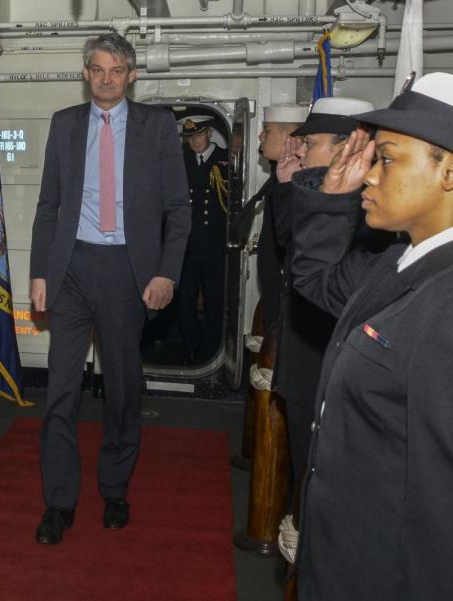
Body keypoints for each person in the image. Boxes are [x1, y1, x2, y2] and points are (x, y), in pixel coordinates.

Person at [286, 72, 453, 600]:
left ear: (448, 171)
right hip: (343, 557)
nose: (370, 177)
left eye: (388, 158)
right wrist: (332, 197)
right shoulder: (401, 261)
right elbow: (315, 281)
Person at [29, 33, 191, 545]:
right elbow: (48, 206)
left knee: (122, 390)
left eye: (116, 70)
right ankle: (59, 500)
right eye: (97, 69)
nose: (105, 79)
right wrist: (40, 273)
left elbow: (178, 211)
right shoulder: (64, 124)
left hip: (128, 272)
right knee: (60, 389)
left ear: (133, 75)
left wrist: (165, 273)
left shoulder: (158, 127)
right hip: (72, 268)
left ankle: (115, 488)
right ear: (85, 73)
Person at [269, 96, 391, 488]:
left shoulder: (370, 208)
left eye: (311, 142)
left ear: (347, 147)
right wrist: (289, 188)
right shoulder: (320, 194)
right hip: (303, 354)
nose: (301, 150)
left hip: (324, 361)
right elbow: (292, 247)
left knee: (318, 480)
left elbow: (321, 277)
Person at [232, 104, 309, 332]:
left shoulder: (302, 184)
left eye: (267, 129)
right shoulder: (280, 177)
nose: (260, 135)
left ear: (289, 136)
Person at [177, 117, 230, 363]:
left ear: (209, 133)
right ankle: (190, 346)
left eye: (198, 135)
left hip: (214, 244)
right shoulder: (181, 161)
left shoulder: (226, 159)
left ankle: (211, 350)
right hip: (187, 244)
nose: (194, 142)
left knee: (214, 299)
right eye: (190, 137)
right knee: (185, 298)